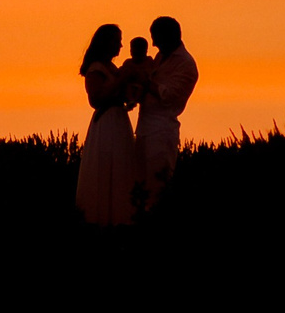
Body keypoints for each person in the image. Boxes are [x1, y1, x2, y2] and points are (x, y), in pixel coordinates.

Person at [73, 24, 142, 226]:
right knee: (107, 168)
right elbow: (96, 99)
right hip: (107, 124)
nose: (121, 45)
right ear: (107, 42)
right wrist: (123, 80)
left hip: (119, 121)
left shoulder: (111, 68)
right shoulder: (96, 69)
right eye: (117, 40)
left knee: (121, 168)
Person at [134, 15, 197, 205]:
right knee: (140, 185)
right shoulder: (160, 57)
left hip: (162, 131)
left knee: (157, 186)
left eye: (156, 38)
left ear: (169, 36)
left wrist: (145, 82)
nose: (153, 44)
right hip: (144, 128)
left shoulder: (186, 64)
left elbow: (170, 96)